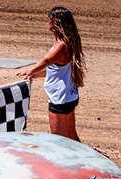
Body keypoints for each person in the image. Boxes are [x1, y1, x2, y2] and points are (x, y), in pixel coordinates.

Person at [16, 6, 85, 142]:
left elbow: (47, 61)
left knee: (59, 141)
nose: (48, 21)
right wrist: (33, 74)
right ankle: (86, 160)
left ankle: (68, 162)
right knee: (71, 137)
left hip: (60, 99)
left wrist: (31, 69)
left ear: (55, 22)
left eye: (50, 19)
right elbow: (54, 70)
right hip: (68, 96)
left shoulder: (62, 45)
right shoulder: (64, 43)